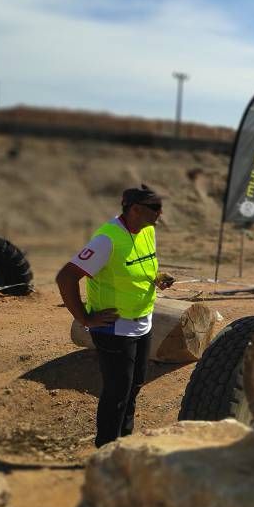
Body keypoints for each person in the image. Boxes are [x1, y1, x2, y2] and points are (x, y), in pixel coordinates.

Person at [55, 185, 174, 448]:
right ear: (134, 209)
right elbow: (66, 277)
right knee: (117, 393)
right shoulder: (106, 239)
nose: (160, 213)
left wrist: (156, 278)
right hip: (114, 329)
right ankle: (106, 451)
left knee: (135, 386)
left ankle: (124, 445)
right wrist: (85, 319)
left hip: (143, 322)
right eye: (154, 208)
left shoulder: (147, 231)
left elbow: (135, 266)